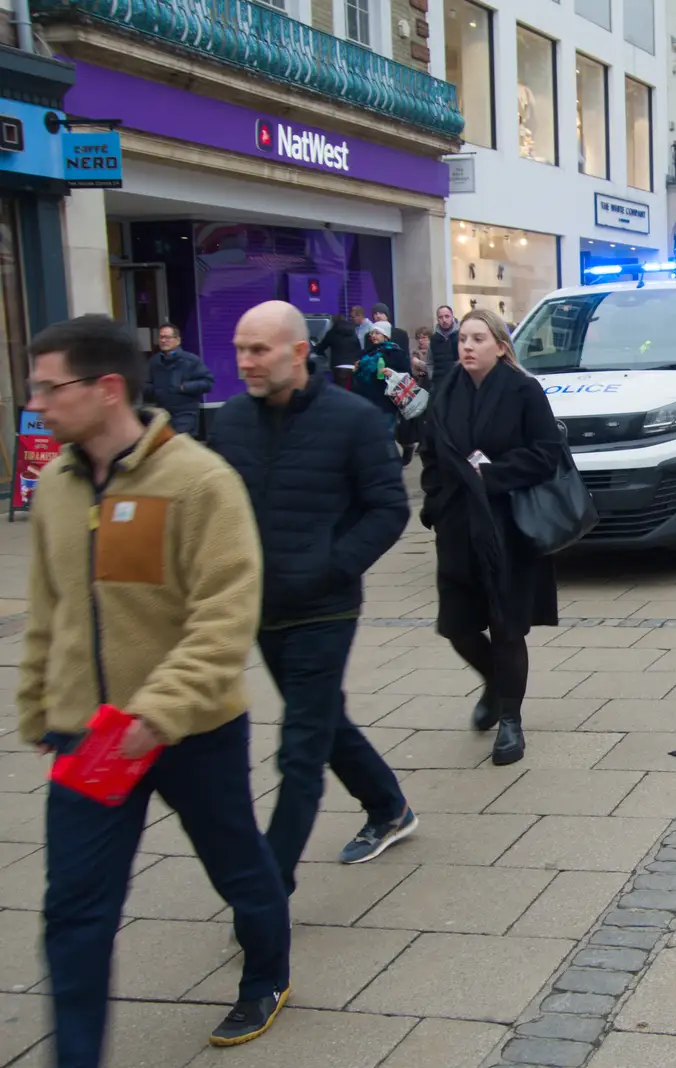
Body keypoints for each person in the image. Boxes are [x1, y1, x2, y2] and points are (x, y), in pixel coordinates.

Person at [18, 315, 291, 1061]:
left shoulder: (200, 481)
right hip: (91, 734)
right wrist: (39, 701)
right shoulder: (55, 487)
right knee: (75, 906)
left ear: (107, 389)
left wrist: (159, 711)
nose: (37, 402)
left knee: (236, 863)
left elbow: (225, 617)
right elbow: (49, 605)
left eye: (50, 387)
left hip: (191, 730)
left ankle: (266, 972)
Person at [211, 299, 417, 892]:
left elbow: (388, 508)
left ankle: (267, 888)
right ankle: (389, 807)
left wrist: (333, 566)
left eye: (259, 350)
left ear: (299, 353)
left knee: (299, 749)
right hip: (260, 606)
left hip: (326, 608)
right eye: (240, 350)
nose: (246, 362)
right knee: (324, 720)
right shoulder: (228, 422)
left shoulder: (352, 420)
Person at [421, 309, 566, 765]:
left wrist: (494, 474)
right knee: (458, 626)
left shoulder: (523, 390)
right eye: (463, 338)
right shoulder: (445, 391)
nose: (467, 346)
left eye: (478, 338)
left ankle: (510, 720)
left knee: (506, 626)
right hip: (458, 525)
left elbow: (546, 454)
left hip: (509, 525)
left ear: (501, 346)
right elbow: (430, 453)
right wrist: (434, 502)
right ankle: (494, 682)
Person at [144, 323, 213, 436]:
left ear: (177, 340)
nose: (164, 340)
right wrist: (153, 390)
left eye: (167, 337)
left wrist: (184, 387)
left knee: (180, 447)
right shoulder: (154, 362)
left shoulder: (191, 361)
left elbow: (208, 383)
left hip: (185, 414)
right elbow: (147, 384)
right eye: (161, 337)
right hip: (162, 415)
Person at [313, 313, 362, 389]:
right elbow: (359, 349)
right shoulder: (353, 333)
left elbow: (321, 348)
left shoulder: (332, 333)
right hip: (353, 367)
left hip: (338, 367)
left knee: (341, 392)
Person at [424, 304, 461, 383]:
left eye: (447, 316)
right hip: (438, 384)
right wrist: (432, 376)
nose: (444, 320)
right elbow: (430, 362)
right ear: (437, 319)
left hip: (457, 383)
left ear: (452, 317)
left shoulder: (461, 336)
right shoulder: (434, 339)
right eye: (440, 317)